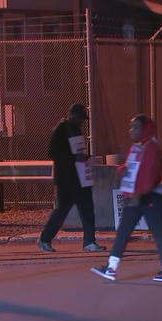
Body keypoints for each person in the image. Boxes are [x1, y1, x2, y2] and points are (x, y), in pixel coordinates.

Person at [91, 114, 162, 281]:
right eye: (131, 127)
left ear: (145, 129)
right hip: (136, 196)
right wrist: (123, 170)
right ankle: (111, 268)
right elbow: (134, 169)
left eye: (135, 127)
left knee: (157, 231)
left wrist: (140, 193)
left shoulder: (151, 148)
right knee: (123, 231)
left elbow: (150, 174)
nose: (131, 131)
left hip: (150, 196)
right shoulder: (138, 147)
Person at [38, 104, 106, 252]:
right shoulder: (62, 130)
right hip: (67, 178)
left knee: (86, 209)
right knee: (62, 210)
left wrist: (82, 157)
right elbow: (53, 152)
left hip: (79, 176)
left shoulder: (74, 130)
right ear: (73, 115)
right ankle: (45, 239)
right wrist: (74, 157)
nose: (82, 121)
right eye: (81, 118)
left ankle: (89, 242)